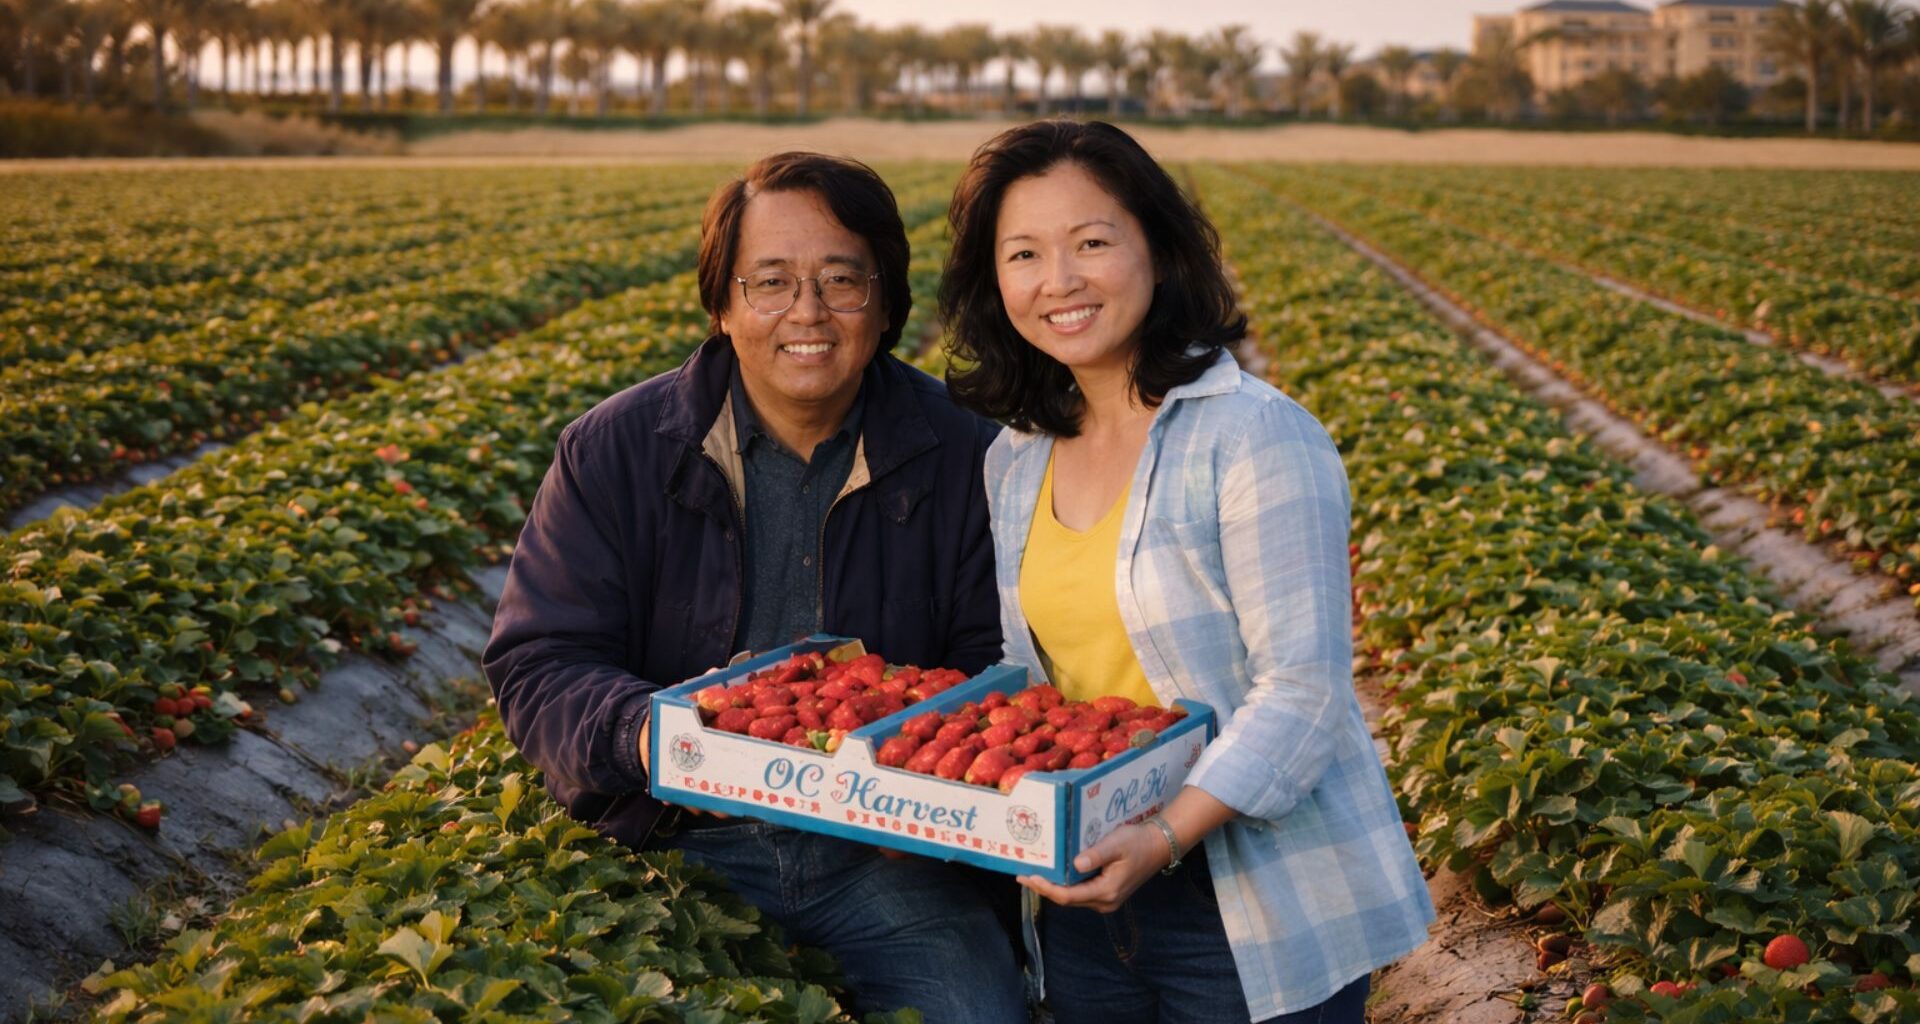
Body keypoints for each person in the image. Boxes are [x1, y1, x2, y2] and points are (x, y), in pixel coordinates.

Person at [482, 151, 1024, 1024]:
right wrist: (656, 739)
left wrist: (919, 792)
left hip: (884, 851)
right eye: (770, 281)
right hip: (668, 840)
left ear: (885, 303)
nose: (806, 313)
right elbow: (541, 658)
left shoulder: (967, 454)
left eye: (842, 281)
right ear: (723, 304)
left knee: (974, 1012)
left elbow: (995, 662)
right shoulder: (616, 450)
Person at [939, 120, 1434, 1023]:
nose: (1060, 281)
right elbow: (1044, 694)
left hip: (1246, 900)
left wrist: (1164, 835)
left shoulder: (1253, 435)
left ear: (1160, 252)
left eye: (1093, 242)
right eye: (1024, 254)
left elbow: (1305, 693)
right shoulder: (1016, 458)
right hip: (1085, 899)